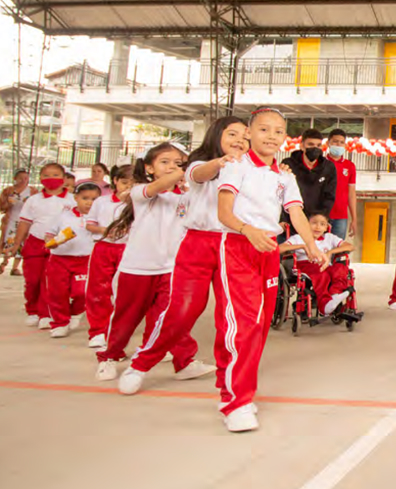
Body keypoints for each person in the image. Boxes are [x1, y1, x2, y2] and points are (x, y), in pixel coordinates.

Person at [117, 116, 248, 396]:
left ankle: (230, 375)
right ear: (216, 135)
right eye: (232, 133)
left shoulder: (250, 168)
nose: (240, 140)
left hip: (234, 244)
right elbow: (199, 175)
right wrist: (223, 161)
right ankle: (140, 364)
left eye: (244, 136)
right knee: (184, 310)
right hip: (198, 244)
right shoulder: (199, 164)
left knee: (232, 316)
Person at [216, 107, 324, 432]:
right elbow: (223, 212)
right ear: (249, 133)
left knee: (260, 326)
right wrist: (247, 230)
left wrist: (311, 245)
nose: (271, 136)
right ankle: (234, 401)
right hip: (238, 247)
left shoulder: (284, 175)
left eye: (278, 131)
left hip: (268, 251)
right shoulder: (236, 167)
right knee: (242, 325)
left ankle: (242, 392)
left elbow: (296, 213)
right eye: (264, 129)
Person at [94, 144, 209, 384]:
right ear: (149, 168)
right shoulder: (141, 192)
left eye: (177, 162)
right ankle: (110, 357)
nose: (172, 167)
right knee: (126, 319)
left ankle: (184, 361)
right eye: (165, 162)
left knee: (173, 317)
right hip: (137, 268)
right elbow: (159, 187)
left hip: (170, 268)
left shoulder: (185, 198)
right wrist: (185, 169)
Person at [4, 163, 73, 328]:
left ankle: (45, 313)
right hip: (36, 243)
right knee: (33, 280)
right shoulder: (33, 200)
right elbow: (24, 223)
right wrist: (17, 244)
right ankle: (32, 310)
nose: (51, 179)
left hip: (60, 246)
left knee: (49, 281)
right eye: (47, 175)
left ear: (63, 179)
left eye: (56, 175)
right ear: (41, 179)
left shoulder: (72, 200)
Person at [85, 164, 133, 349]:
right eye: (124, 182)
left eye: (133, 184)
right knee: (98, 289)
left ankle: (119, 330)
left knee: (126, 292)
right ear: (115, 181)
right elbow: (90, 225)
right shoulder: (101, 202)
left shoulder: (139, 203)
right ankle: (98, 330)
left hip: (129, 249)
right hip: (104, 248)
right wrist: (106, 230)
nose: (128, 187)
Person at [44, 182, 101, 338]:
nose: (89, 202)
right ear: (76, 198)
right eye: (85, 198)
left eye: (94, 199)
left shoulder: (99, 218)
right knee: (57, 293)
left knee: (81, 291)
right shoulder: (63, 215)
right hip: (59, 259)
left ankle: (76, 311)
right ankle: (60, 323)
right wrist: (53, 242)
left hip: (85, 260)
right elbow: (49, 235)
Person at [280, 213, 354, 315]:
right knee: (322, 274)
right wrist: (302, 246)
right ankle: (325, 306)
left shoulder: (329, 237)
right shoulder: (298, 238)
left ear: (326, 227)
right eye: (314, 223)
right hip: (306, 265)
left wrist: (330, 252)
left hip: (325, 265)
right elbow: (280, 249)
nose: (318, 227)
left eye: (322, 224)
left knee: (341, 269)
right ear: (306, 225)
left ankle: (334, 295)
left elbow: (350, 246)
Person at [282, 128, 337, 220]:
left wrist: (320, 218)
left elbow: (329, 196)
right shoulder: (288, 164)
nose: (315, 148)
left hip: (317, 222)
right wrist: (283, 219)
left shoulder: (329, 167)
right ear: (302, 146)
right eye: (310, 144)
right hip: (292, 219)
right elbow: (282, 193)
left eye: (318, 145)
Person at [0, 168, 37, 276]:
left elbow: (38, 206)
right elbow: (2, 206)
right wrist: (9, 203)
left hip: (25, 221)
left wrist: (29, 203)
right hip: (11, 219)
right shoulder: (8, 191)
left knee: (22, 243)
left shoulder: (33, 191)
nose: (23, 180)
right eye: (20, 178)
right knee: (9, 241)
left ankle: (15, 267)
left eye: (25, 178)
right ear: (15, 179)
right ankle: (4, 262)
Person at [326, 128, 357, 239]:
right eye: (335, 141)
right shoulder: (321, 163)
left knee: (338, 251)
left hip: (341, 216)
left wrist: (354, 219)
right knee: (321, 249)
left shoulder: (350, 166)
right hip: (322, 215)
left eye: (341, 142)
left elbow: (351, 194)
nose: (338, 144)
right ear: (328, 143)